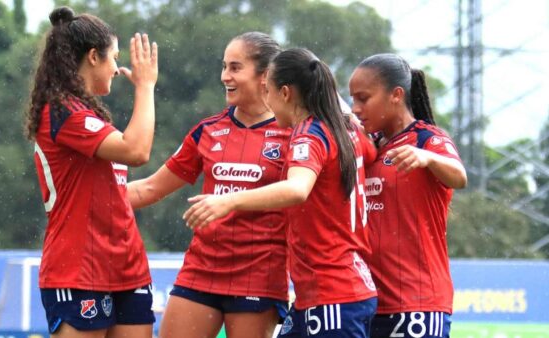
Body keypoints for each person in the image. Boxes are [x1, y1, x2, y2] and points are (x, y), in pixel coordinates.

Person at [183, 48, 378, 338]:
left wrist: (228, 201)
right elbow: (372, 153)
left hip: (332, 294)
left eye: (269, 93)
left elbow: (297, 189)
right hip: (338, 290)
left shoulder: (309, 134)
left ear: (285, 93)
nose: (268, 103)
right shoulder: (347, 129)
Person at [127, 32, 289, 338]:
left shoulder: (294, 134)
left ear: (264, 75)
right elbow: (149, 189)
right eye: (224, 66)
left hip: (259, 275)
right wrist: (87, 201)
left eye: (235, 67)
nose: (225, 76)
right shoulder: (208, 131)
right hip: (201, 271)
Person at [24, 6, 158, 338]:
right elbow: (137, 150)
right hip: (79, 269)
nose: (117, 68)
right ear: (94, 57)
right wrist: (146, 86)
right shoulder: (61, 111)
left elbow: (119, 195)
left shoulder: (89, 115)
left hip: (128, 267)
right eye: (114, 57)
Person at [348, 53, 467, 338]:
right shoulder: (369, 146)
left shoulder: (427, 139)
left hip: (418, 304)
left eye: (363, 98)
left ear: (396, 95)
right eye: (352, 99)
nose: (356, 108)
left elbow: (459, 176)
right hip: (369, 302)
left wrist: (427, 158)